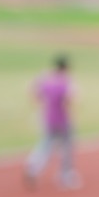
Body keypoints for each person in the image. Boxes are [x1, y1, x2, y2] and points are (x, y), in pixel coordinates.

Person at [24, 53, 82, 190]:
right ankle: (65, 176)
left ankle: (33, 165)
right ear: (66, 67)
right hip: (62, 119)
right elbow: (71, 99)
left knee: (46, 144)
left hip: (47, 117)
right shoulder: (66, 80)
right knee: (66, 148)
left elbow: (33, 93)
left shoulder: (45, 78)